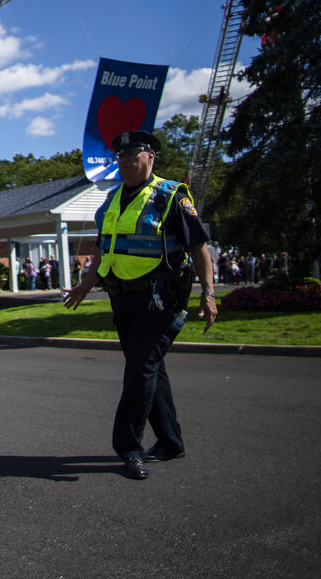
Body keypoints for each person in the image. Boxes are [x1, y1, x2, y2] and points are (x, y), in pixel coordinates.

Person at [63, 130, 217, 481]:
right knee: (150, 368)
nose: (126, 161)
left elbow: (198, 247)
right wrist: (85, 287)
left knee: (139, 370)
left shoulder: (171, 196)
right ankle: (170, 442)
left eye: (134, 155)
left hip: (158, 299)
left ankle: (129, 447)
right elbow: (105, 249)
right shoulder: (112, 200)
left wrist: (208, 294)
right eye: (121, 157)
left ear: (151, 157)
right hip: (122, 298)